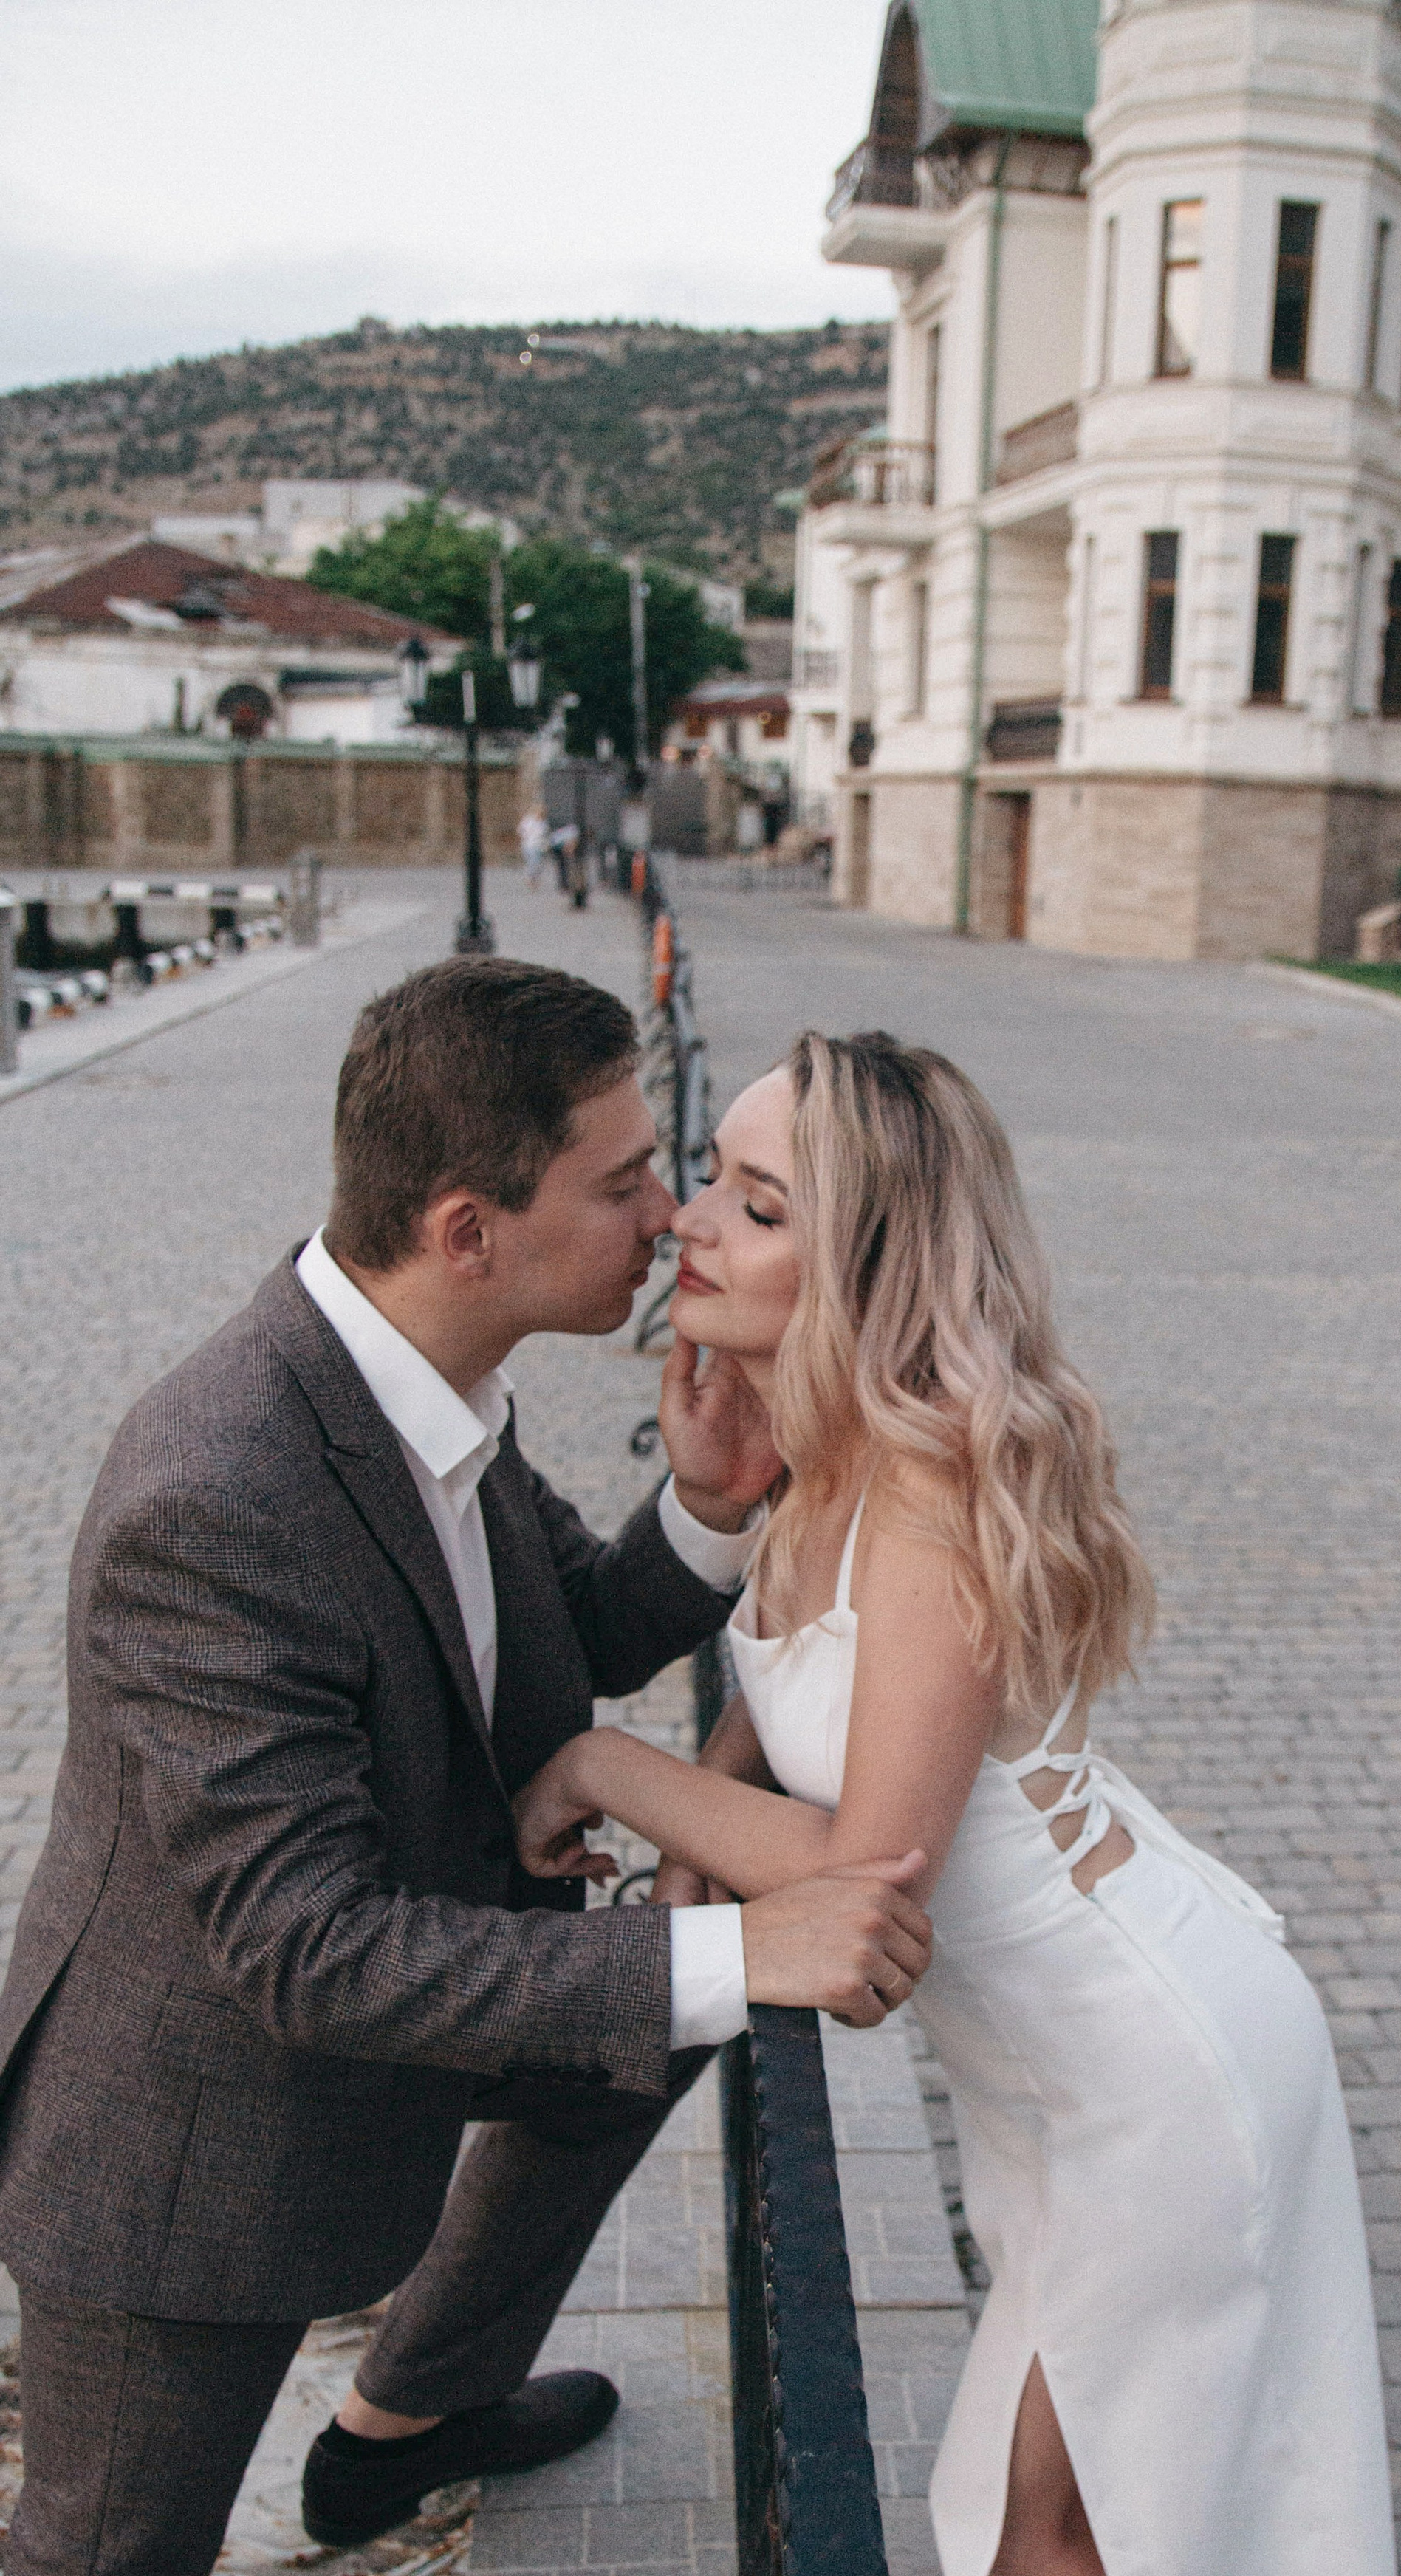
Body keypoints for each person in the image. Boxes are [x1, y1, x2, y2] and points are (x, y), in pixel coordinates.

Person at [0, 963, 931, 2575]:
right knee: (112, 2549)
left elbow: (565, 1633)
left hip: (388, 2006)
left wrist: (710, 1506)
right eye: (624, 1182)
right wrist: (740, 1940)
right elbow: (309, 1949)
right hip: (193, 2147)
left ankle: (413, 2416)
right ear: (466, 1230)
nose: (668, 1217)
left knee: (650, 2028)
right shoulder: (216, 1497)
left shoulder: (425, 1383)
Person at [512, 1030, 1397, 2576]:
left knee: (1067, 2531)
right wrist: (714, 1755)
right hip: (1049, 2089)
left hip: (1153, 2079)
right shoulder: (822, 1452)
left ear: (869, 1269)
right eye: (710, 1178)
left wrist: (605, 1768)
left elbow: (867, 1870)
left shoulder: (923, 1498)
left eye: (758, 1206)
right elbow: (807, 1691)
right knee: (1054, 2518)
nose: (687, 1222)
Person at [518, 803, 552, 888]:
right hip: (529, 845)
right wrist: (527, 835)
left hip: (540, 846)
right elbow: (521, 831)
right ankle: (530, 878)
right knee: (533, 862)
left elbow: (546, 834)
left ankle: (535, 879)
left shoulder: (544, 823)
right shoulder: (528, 820)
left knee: (539, 863)